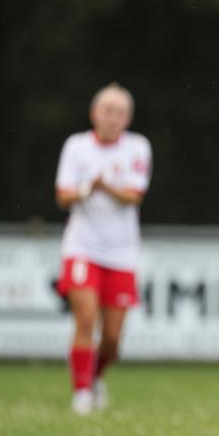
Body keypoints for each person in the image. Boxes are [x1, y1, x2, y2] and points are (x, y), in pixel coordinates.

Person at [55, 83, 152, 415]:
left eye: (120, 113)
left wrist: (104, 187)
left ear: (128, 118)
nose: (113, 118)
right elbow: (63, 195)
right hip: (82, 247)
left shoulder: (138, 147)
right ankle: (81, 393)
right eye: (108, 111)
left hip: (122, 253)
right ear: (95, 113)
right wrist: (86, 190)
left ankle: (95, 376)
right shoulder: (76, 147)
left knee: (112, 338)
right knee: (85, 320)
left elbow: (134, 196)